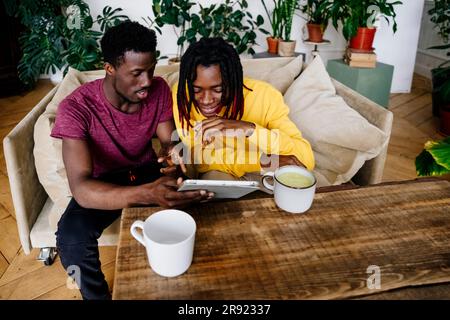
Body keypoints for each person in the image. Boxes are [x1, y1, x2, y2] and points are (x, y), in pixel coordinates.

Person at [50, 21, 211, 300]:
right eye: (136, 73)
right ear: (109, 68)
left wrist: (175, 151)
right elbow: (81, 188)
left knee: (191, 201)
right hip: (102, 182)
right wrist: (146, 194)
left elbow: (168, 140)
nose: (147, 81)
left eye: (150, 69)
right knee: (70, 239)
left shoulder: (158, 89)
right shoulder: (76, 108)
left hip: (146, 171)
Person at [171, 37, 315, 181]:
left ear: (233, 81)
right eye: (197, 90)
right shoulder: (183, 95)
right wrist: (263, 161)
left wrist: (250, 129)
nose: (207, 100)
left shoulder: (265, 96)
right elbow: (201, 160)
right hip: (231, 171)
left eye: (218, 89)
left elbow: (305, 160)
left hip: (270, 175)